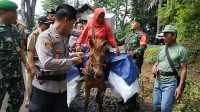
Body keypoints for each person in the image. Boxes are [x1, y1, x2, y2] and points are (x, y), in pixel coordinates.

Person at [28, 4, 84, 112]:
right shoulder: (46, 36)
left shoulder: (61, 36)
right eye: (72, 24)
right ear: (66, 20)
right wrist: (71, 61)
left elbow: (59, 56)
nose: (72, 28)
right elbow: (47, 63)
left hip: (61, 89)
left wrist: (73, 55)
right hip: (44, 90)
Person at [0, 0, 30, 112]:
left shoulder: (14, 29)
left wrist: (26, 64)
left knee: (18, 98)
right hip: (1, 75)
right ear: (5, 12)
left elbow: (20, 49)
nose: (17, 16)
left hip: (16, 73)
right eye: (14, 12)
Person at [151, 25, 187, 112]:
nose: (164, 37)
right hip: (158, 82)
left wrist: (180, 87)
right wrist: (154, 66)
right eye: (163, 35)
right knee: (156, 107)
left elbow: (184, 69)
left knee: (165, 109)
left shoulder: (181, 50)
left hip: (170, 83)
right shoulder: (161, 48)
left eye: (166, 34)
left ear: (174, 36)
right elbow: (157, 62)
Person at [25, 16, 50, 107]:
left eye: (48, 24)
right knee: (30, 82)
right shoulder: (34, 34)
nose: (48, 25)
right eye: (46, 24)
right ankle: (28, 100)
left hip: (43, 62)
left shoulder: (48, 34)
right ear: (40, 24)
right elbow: (29, 51)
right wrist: (31, 66)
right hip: (34, 61)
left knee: (42, 83)